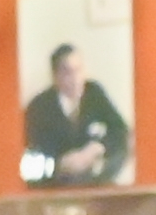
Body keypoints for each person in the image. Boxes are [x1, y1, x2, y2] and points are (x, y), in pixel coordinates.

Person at [23, 42, 131, 187]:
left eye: (79, 70)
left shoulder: (94, 92)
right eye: (67, 72)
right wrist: (59, 164)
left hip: (95, 178)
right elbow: (30, 158)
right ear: (55, 75)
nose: (75, 79)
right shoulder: (38, 107)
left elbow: (120, 130)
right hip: (56, 186)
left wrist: (96, 148)